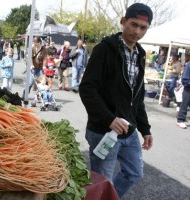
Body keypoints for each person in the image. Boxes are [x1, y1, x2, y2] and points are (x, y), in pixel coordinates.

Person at [79, 3, 153, 198]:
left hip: (129, 131)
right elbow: (87, 88)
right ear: (123, 22)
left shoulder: (140, 55)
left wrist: (145, 129)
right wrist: (109, 118)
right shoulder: (105, 49)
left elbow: (138, 97)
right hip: (103, 131)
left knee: (134, 173)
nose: (137, 31)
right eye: (133, 24)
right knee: (102, 182)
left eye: (143, 28)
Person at [176, 61, 190, 129]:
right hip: (188, 88)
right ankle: (180, 120)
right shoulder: (189, 64)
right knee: (185, 104)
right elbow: (185, 79)